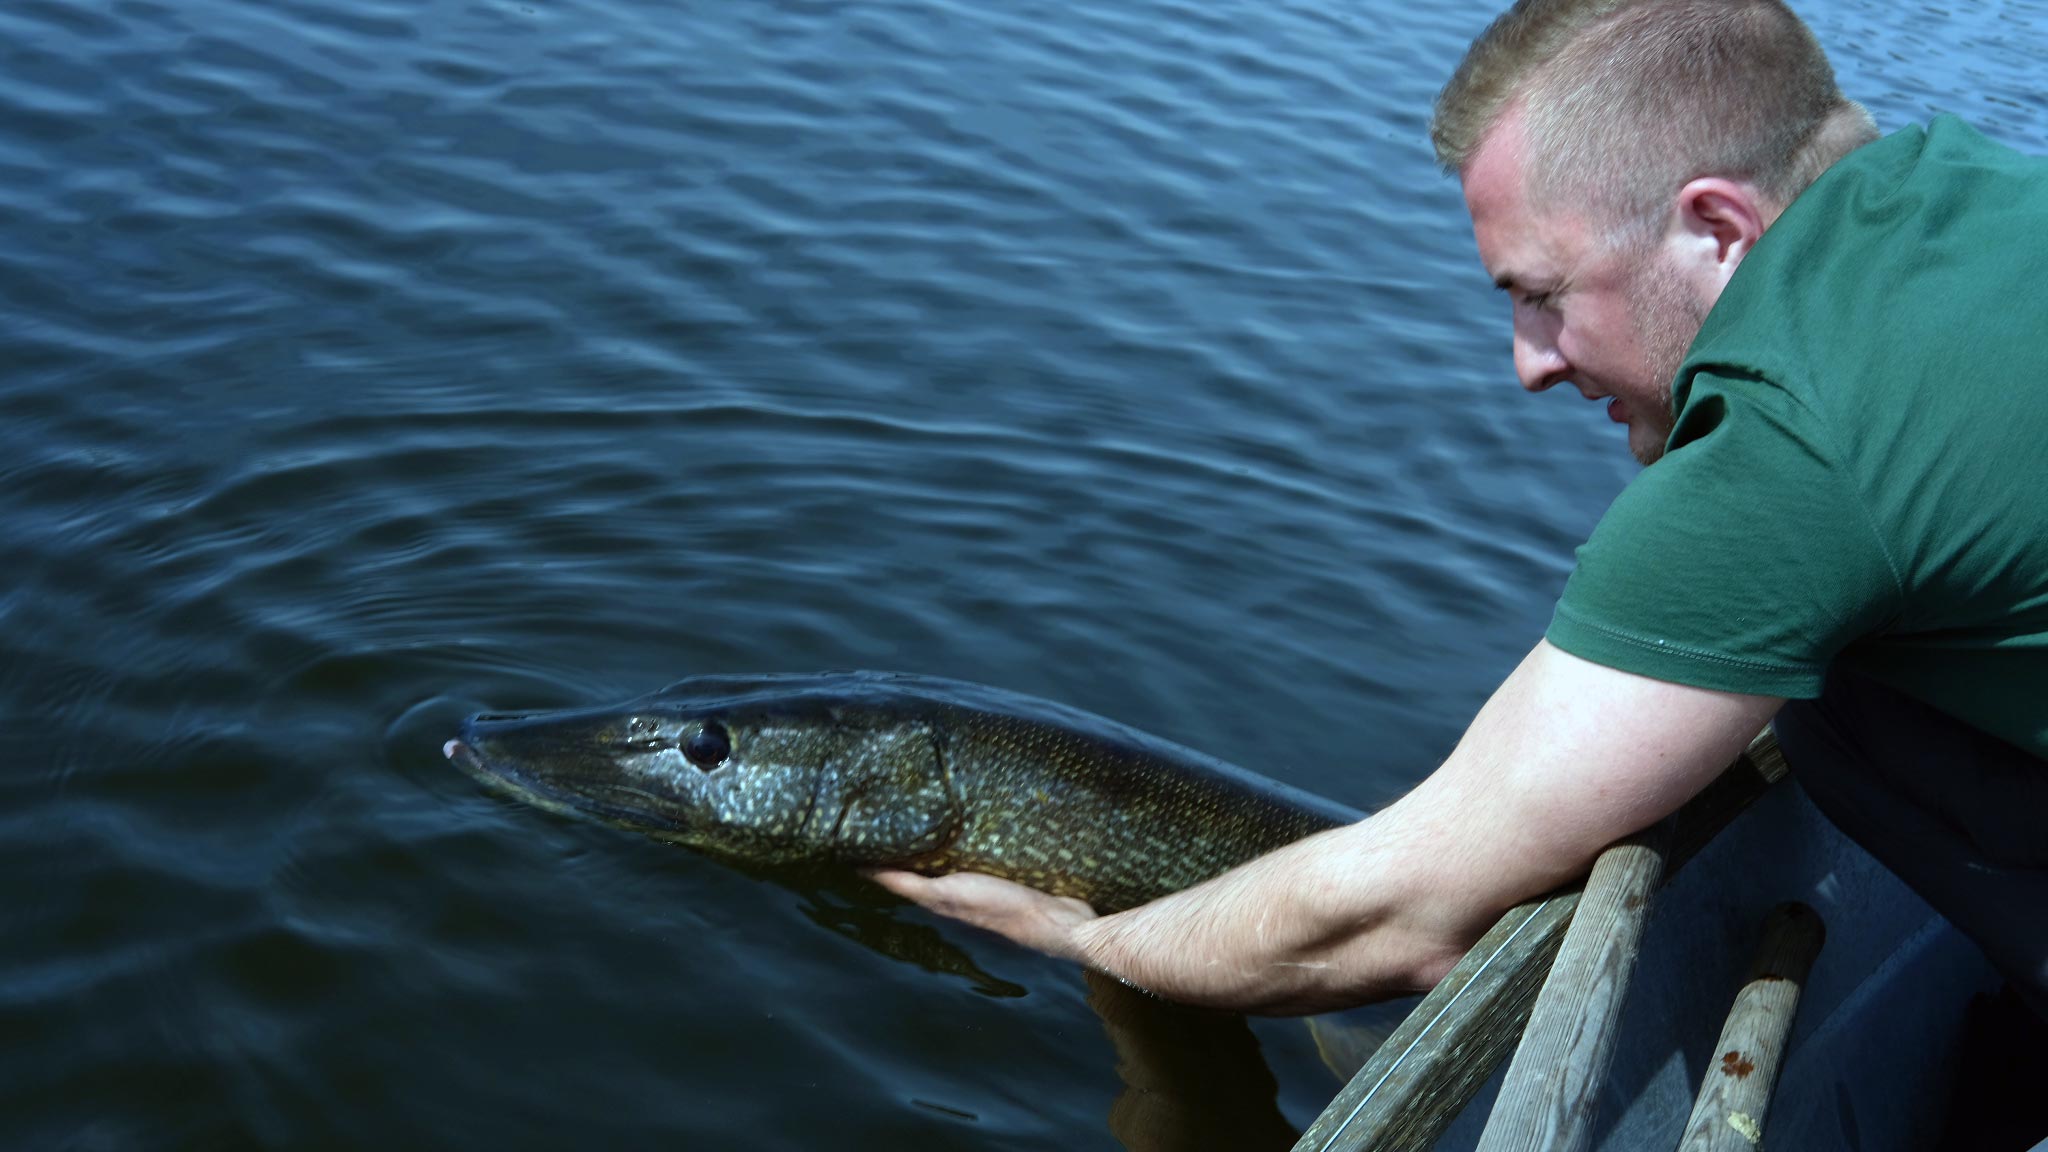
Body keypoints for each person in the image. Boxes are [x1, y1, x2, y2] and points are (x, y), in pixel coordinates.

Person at [874, 0, 2048, 1021]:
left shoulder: (1790, 445)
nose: (1527, 365)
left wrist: (1087, 940)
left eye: (1543, 297)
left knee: (1827, 716)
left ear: (1715, 227)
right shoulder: (1965, 188)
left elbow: (1398, 917)